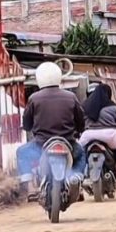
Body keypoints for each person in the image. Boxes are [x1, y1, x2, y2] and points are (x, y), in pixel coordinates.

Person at [16, 62, 87, 198]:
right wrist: (79, 131)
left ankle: (31, 186)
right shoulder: (71, 96)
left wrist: (30, 127)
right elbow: (80, 119)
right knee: (81, 154)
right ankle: (76, 179)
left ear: (39, 78)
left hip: (41, 144)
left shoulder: (34, 98)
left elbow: (27, 124)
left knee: (22, 152)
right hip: (68, 142)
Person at [79, 83, 116, 180]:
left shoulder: (84, 106)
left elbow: (80, 122)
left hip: (88, 135)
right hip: (108, 135)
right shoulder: (112, 106)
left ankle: (79, 173)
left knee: (79, 152)